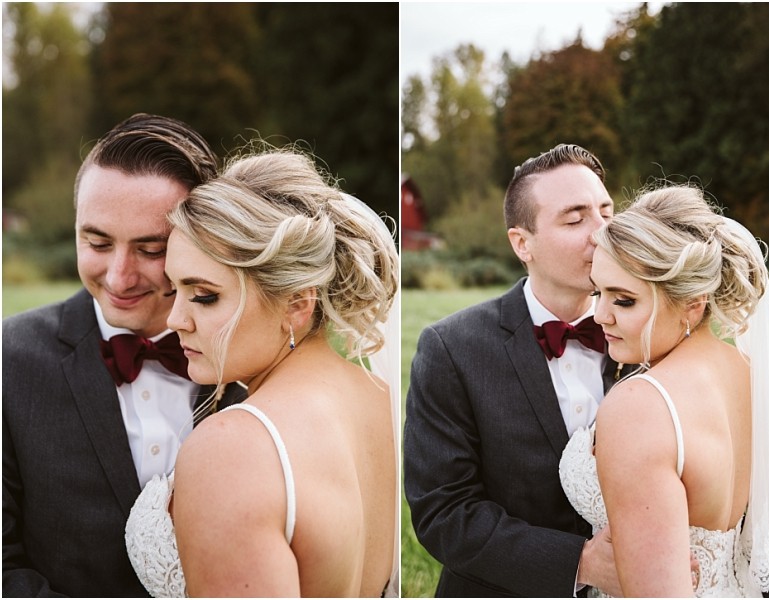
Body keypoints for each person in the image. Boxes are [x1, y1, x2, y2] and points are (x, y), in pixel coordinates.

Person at [124, 146, 400, 597]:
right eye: (175, 290)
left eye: (205, 295)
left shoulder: (233, 449)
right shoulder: (380, 399)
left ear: (296, 303)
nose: (175, 320)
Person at [2, 113, 245, 597]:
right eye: (96, 242)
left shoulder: (252, 361)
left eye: (151, 249)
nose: (118, 277)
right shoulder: (9, 362)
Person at [404, 143, 631, 597]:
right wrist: (580, 563)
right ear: (521, 243)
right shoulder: (451, 349)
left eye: (607, 212)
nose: (603, 233)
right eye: (575, 218)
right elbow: (445, 512)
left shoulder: (651, 337)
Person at [559, 183, 769, 597]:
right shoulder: (745, 372)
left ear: (693, 302)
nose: (599, 315)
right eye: (599, 292)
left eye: (625, 300)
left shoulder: (641, 407)